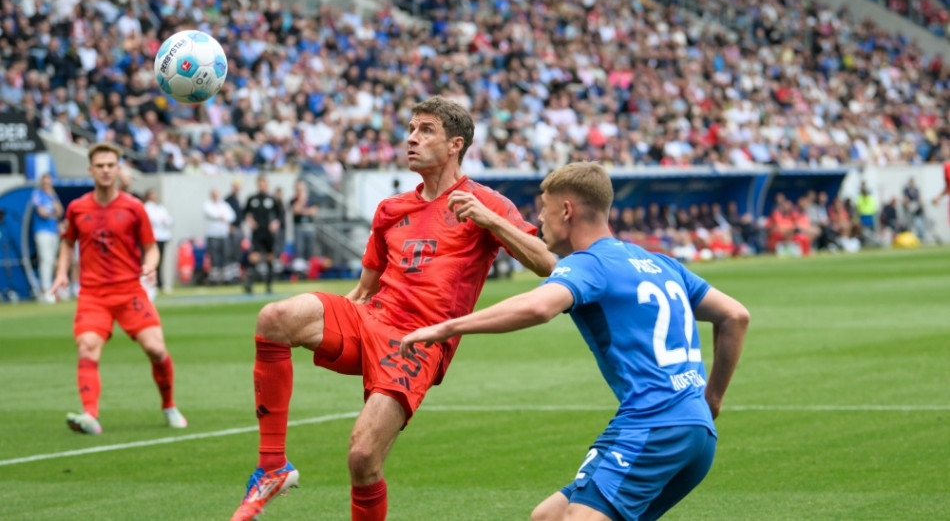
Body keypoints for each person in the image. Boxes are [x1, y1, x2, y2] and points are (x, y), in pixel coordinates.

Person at [230, 96, 557, 521]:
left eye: (425, 130)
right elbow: (363, 292)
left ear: (455, 144)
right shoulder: (391, 209)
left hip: (419, 341)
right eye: (411, 129)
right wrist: (322, 322)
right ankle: (272, 466)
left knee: (363, 458)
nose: (410, 139)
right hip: (371, 318)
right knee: (275, 317)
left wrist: (491, 221)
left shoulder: (485, 202)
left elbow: (547, 264)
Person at [400, 162, 749, 521]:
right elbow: (735, 315)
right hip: (696, 434)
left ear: (566, 210)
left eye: (543, 208)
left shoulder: (588, 263)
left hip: (652, 426)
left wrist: (445, 328)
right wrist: (712, 399)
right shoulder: (661, 263)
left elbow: (538, 307)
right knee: (547, 517)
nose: (539, 219)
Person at [50, 142, 187, 435]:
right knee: (87, 348)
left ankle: (169, 405)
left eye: (111, 165)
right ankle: (90, 415)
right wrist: (62, 273)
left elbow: (151, 248)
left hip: (129, 291)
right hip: (92, 294)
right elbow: (67, 243)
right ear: (90, 170)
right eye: (99, 165)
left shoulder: (133, 207)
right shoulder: (77, 208)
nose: (105, 170)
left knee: (156, 348)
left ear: (118, 168)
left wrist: (150, 265)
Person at [242, 175, 282, 294]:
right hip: (257, 233)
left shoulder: (272, 199)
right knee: (254, 257)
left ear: (267, 185)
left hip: (269, 233)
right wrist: (250, 221)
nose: (261, 186)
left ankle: (269, 286)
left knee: (270, 257)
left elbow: (280, 215)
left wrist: (275, 223)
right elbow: (245, 213)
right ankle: (249, 284)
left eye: (263, 183)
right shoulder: (252, 199)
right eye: (260, 184)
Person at [31, 172, 63, 303]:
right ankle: (45, 291)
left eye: (49, 181)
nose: (47, 184)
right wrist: (53, 214)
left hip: (53, 231)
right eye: (45, 181)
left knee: (53, 261)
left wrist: (53, 200)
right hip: (42, 231)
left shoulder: (53, 195)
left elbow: (60, 211)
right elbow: (42, 213)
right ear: (41, 182)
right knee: (46, 260)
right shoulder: (37, 194)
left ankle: (53, 289)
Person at [204, 187, 236, 285]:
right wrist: (221, 216)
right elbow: (212, 214)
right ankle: (215, 279)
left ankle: (227, 278)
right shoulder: (207, 204)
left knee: (226, 255)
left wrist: (223, 217)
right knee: (215, 257)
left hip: (224, 234)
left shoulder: (224, 205)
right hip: (213, 234)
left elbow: (232, 216)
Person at [143, 188, 173, 293]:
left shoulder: (160, 207)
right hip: (153, 237)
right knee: (152, 262)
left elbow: (169, 220)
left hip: (162, 237)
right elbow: (154, 220)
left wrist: (164, 221)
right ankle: (152, 283)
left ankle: (160, 283)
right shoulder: (146, 207)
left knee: (161, 261)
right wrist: (161, 220)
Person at [290, 179, 319, 275]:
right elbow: (295, 210)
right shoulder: (293, 200)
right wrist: (302, 202)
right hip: (299, 227)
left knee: (309, 249)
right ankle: (300, 271)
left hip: (309, 227)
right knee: (299, 249)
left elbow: (313, 212)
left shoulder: (311, 199)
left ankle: (309, 270)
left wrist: (302, 210)